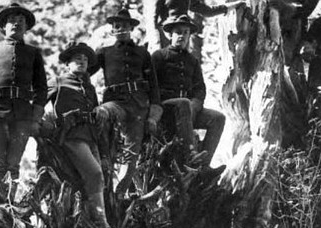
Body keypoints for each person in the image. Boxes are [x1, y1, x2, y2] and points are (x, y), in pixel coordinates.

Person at [43, 42, 127, 228]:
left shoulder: (88, 87)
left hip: (91, 137)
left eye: (85, 59)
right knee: (95, 173)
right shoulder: (58, 82)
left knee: (101, 177)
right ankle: (103, 227)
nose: (82, 62)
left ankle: (90, 225)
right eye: (77, 59)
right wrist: (48, 127)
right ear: (67, 63)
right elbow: (36, 105)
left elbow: (96, 117)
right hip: (71, 137)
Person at [0, 3, 49, 203]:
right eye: (12, 21)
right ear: (4, 26)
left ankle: (8, 204)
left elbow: (41, 88)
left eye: (21, 21)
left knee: (13, 163)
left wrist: (35, 119)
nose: (16, 24)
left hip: (22, 116)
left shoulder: (33, 53)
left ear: (26, 27)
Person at [91, 6, 162, 194]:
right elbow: (85, 71)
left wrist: (153, 116)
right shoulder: (104, 52)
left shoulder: (143, 53)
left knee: (131, 155)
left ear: (131, 28)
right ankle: (104, 164)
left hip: (139, 107)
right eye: (116, 26)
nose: (120, 29)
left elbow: (154, 87)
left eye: (124, 25)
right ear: (112, 30)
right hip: (115, 103)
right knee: (101, 114)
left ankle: (119, 196)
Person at [151, 14, 225, 166]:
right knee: (183, 103)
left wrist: (195, 105)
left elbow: (200, 89)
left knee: (218, 118)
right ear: (170, 34)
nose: (182, 36)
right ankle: (190, 153)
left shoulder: (192, 60)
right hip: (166, 108)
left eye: (186, 33)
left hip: (188, 111)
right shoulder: (159, 56)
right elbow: (151, 86)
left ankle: (203, 165)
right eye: (178, 32)